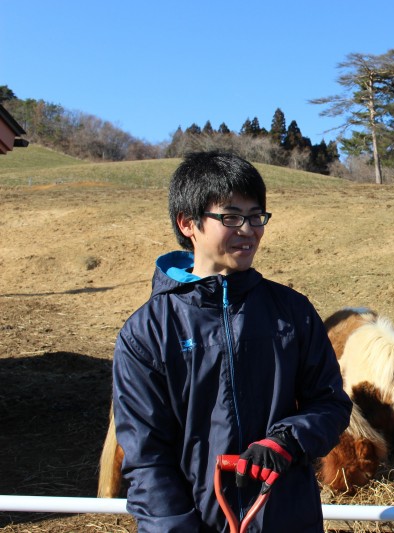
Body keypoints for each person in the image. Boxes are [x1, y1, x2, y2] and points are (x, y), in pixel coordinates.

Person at [113, 151, 352, 532]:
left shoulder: (292, 312)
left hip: (287, 520)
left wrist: (286, 442)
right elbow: (147, 458)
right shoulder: (148, 332)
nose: (248, 229)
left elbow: (330, 404)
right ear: (188, 223)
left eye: (256, 216)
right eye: (230, 217)